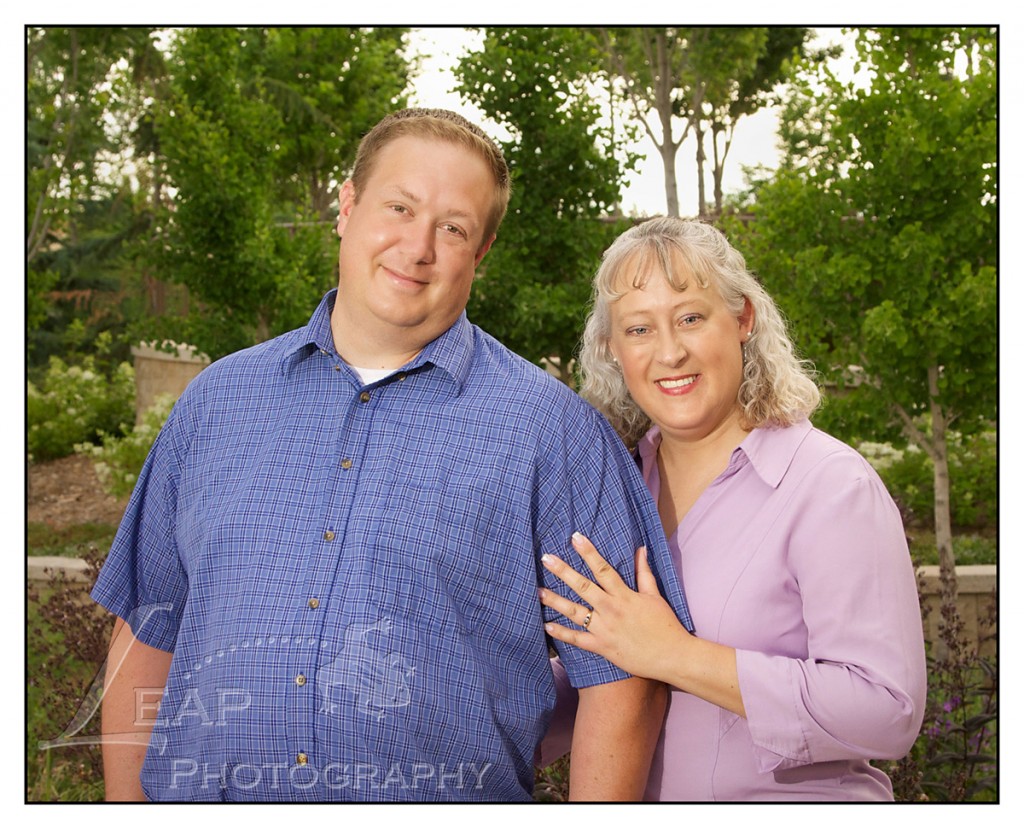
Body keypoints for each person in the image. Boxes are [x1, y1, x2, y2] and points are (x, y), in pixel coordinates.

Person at [91, 109, 692, 802]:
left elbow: (625, 682)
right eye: (399, 207)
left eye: (453, 227)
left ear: (482, 251)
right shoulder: (215, 403)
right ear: (346, 208)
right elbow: (145, 628)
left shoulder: (554, 436)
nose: (418, 246)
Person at [538, 217, 927, 801]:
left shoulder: (829, 485)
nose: (670, 352)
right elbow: (609, 673)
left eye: (691, 318)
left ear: (743, 318)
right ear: (612, 349)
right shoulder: (613, 486)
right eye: (639, 329)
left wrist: (676, 655)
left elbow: (886, 710)